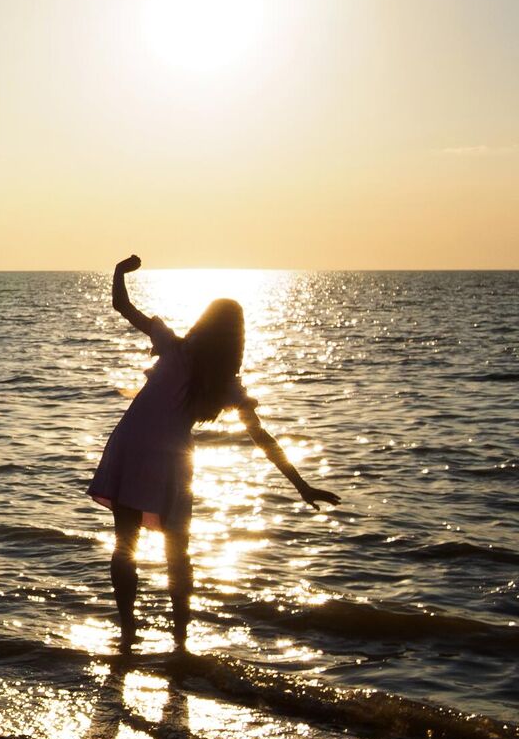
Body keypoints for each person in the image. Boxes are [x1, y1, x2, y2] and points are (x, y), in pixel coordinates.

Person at [88, 256, 338, 651]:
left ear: (203, 323)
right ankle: (181, 642)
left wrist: (120, 270)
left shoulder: (172, 347)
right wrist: (301, 485)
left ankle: (128, 633)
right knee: (177, 551)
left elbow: (122, 305)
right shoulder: (223, 384)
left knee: (125, 545)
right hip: (169, 460)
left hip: (130, 445)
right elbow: (261, 436)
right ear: (237, 340)